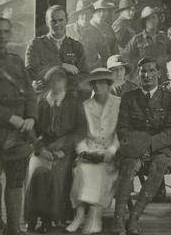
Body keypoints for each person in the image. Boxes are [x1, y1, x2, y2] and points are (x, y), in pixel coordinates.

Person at [0, 17, 38, 235]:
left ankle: (14, 230)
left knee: (15, 184)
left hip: (19, 132)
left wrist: (31, 116)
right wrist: (10, 117)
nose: (2, 36)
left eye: (6, 32)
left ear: (10, 34)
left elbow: (30, 92)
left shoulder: (16, 61)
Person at [114, 57, 171, 235]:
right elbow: (122, 129)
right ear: (138, 74)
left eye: (152, 70)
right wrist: (139, 146)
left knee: (159, 165)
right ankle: (119, 218)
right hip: (134, 148)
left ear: (159, 73)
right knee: (128, 166)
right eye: (143, 71)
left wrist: (149, 145)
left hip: (162, 148)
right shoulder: (129, 98)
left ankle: (134, 217)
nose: (147, 75)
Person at [24, 66, 82, 232]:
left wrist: (64, 149)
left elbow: (80, 131)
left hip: (66, 149)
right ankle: (32, 216)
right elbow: (31, 130)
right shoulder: (40, 102)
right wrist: (40, 149)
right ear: (48, 83)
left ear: (65, 82)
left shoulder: (74, 103)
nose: (57, 84)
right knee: (36, 171)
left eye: (60, 80)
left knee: (55, 174)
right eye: (53, 81)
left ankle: (49, 218)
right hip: (42, 147)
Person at [68, 69, 120, 235]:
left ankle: (95, 216)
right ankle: (80, 214)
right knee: (81, 169)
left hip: (110, 152)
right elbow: (79, 132)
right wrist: (84, 151)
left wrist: (111, 151)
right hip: (89, 150)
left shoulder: (118, 104)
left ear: (108, 85)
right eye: (95, 83)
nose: (98, 86)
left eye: (102, 83)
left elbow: (121, 133)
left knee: (102, 171)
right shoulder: (85, 106)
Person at [25, 5, 87, 93]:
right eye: (53, 21)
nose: (57, 24)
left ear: (67, 20)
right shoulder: (35, 44)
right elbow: (31, 71)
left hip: (69, 96)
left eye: (61, 20)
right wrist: (61, 65)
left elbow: (84, 75)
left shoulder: (76, 46)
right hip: (43, 96)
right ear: (46, 22)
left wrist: (64, 86)